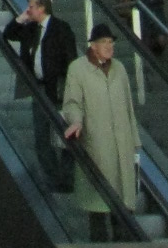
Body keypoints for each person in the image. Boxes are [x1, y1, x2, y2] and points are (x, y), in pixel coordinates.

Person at [62, 22, 139, 242]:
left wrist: (134, 141)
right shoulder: (78, 69)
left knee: (122, 206)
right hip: (96, 145)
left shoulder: (119, 69)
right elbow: (72, 102)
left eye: (111, 42)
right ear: (93, 46)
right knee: (97, 204)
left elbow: (129, 107)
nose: (109, 46)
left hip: (122, 145)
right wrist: (76, 122)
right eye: (104, 42)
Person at [3, 0, 78, 192]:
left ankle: (67, 178)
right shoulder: (30, 29)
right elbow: (8, 34)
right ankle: (53, 177)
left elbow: (71, 59)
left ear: (42, 7)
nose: (28, 10)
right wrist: (21, 18)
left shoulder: (61, 28)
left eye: (31, 7)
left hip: (59, 89)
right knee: (42, 136)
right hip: (39, 88)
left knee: (66, 135)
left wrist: (71, 87)